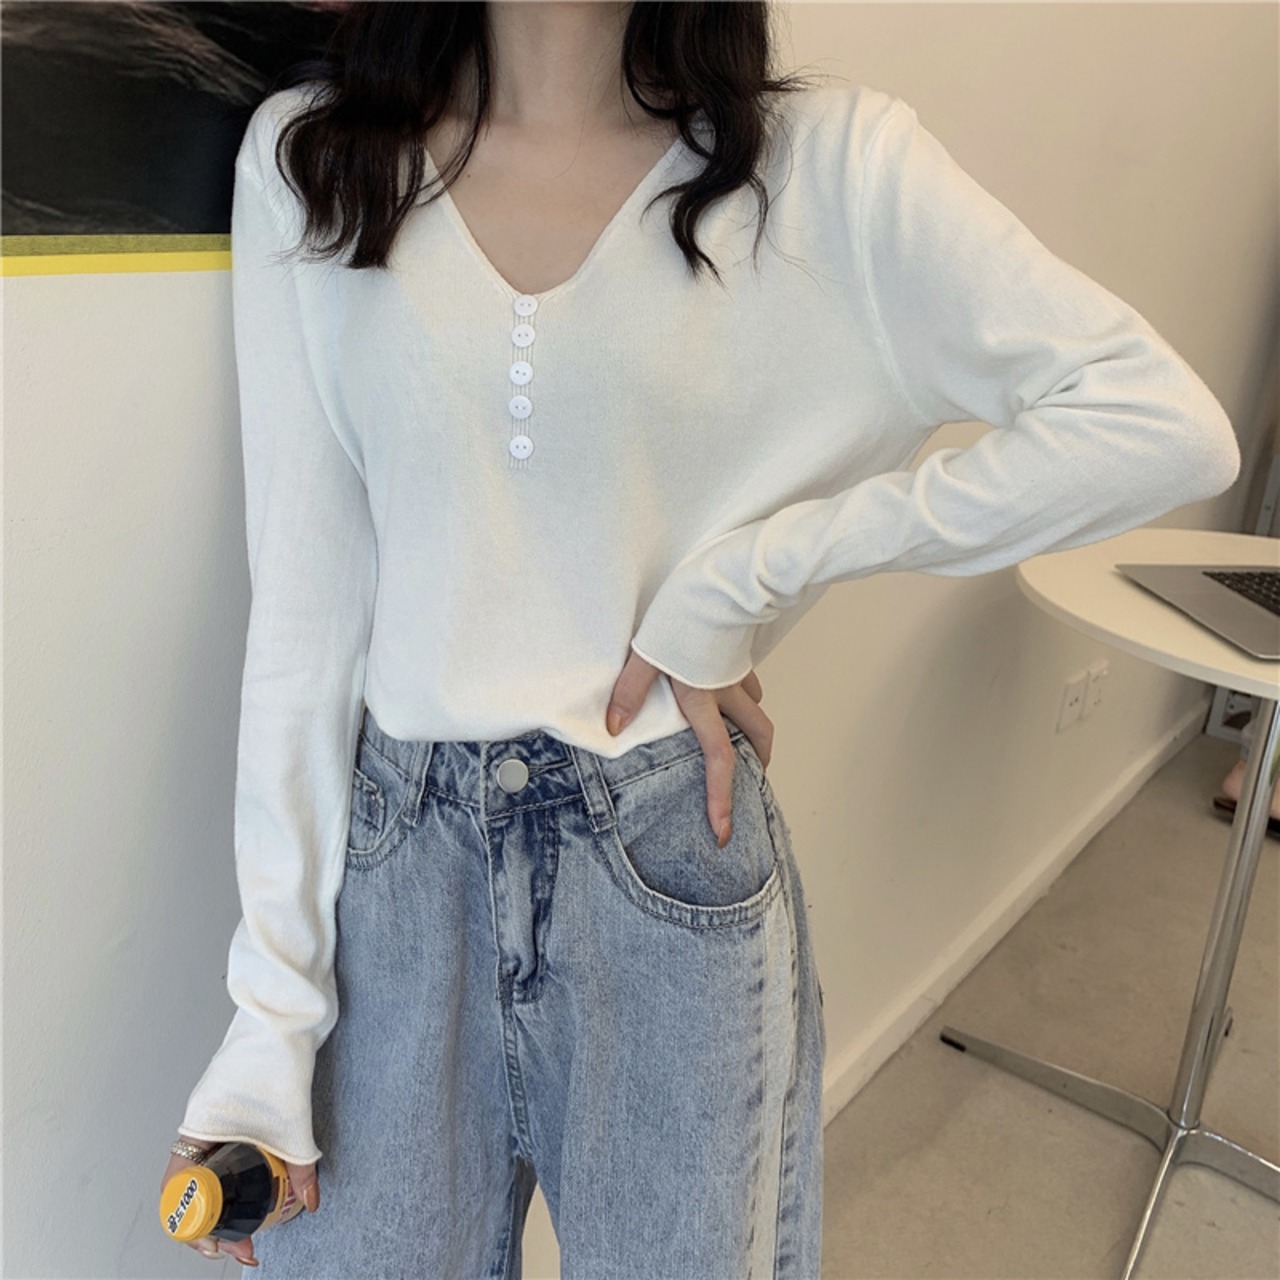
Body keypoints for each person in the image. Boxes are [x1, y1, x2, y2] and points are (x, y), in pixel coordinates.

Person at [159, 2, 1240, 1275]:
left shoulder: (826, 169)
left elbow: (1155, 423)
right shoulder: (317, 158)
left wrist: (747, 575)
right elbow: (302, 616)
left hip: (661, 855)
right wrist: (270, 1015)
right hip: (396, 870)